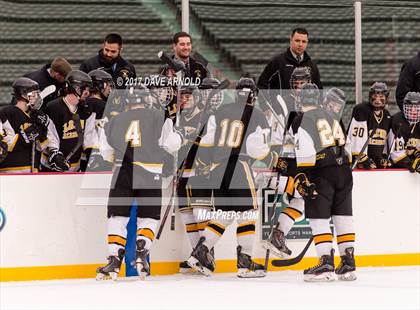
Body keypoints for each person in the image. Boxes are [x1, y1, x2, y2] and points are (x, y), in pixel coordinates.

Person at [96, 84, 182, 280]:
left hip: (122, 172)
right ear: (146, 99)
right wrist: (179, 135)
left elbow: (106, 152)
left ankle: (114, 259)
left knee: (117, 217)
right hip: (150, 172)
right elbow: (171, 144)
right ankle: (142, 251)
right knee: (149, 217)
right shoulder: (158, 117)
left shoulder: (114, 120)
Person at [186, 77, 270, 278]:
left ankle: (201, 251)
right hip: (239, 165)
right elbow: (256, 149)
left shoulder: (219, 112)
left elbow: (205, 144)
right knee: (248, 213)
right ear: (253, 95)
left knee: (224, 213)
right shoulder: (257, 114)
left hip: (217, 168)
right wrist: (269, 156)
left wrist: (205, 165)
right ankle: (245, 261)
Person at [291, 83, 356, 282]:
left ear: (301, 99)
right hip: (345, 172)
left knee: (318, 218)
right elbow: (346, 149)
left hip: (322, 173)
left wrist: (302, 176)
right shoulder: (333, 116)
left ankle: (326, 263)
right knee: (342, 216)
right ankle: (348, 264)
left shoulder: (301, 119)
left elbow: (306, 156)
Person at [262, 67, 312, 258]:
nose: (300, 87)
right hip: (287, 159)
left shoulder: (311, 102)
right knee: (299, 194)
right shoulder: (283, 101)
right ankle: (277, 234)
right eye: (297, 83)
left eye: (304, 83)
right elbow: (276, 134)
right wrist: (279, 157)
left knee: (301, 198)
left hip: (300, 159)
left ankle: (278, 234)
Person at [175, 80, 223, 273]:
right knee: (188, 216)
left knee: (201, 215)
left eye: (189, 95)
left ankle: (208, 257)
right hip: (183, 173)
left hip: (201, 171)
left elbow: (214, 144)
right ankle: (196, 254)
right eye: (183, 96)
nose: (186, 99)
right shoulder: (180, 117)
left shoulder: (212, 116)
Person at [41, 70, 98, 172]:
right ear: (75, 88)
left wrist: (91, 151)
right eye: (85, 89)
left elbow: (89, 134)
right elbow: (50, 133)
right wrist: (54, 152)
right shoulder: (54, 107)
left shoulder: (86, 108)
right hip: (51, 167)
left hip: (76, 167)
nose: (87, 93)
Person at [0, 78, 59, 173]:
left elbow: (41, 147)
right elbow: (6, 145)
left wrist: (41, 129)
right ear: (24, 94)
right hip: (11, 171)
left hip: (33, 170)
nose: (37, 97)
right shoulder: (7, 113)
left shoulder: (35, 116)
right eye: (34, 94)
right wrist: (27, 137)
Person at [257, 27, 322, 106]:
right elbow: (262, 85)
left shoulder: (312, 66)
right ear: (291, 40)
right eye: (297, 40)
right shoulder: (278, 62)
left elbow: (319, 91)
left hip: (305, 114)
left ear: (307, 43)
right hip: (281, 114)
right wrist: (266, 108)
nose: (300, 44)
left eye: (304, 41)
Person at [347, 82, 392, 169]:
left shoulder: (386, 115)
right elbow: (356, 139)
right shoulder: (362, 110)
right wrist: (362, 158)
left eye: (381, 97)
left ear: (386, 98)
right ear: (370, 96)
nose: (377, 100)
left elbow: (384, 142)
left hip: (374, 164)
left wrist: (382, 158)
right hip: (359, 163)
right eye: (375, 96)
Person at [388, 92, 420, 173]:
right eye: (410, 108)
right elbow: (395, 154)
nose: (413, 111)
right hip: (396, 167)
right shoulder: (397, 121)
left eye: (416, 108)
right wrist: (411, 163)